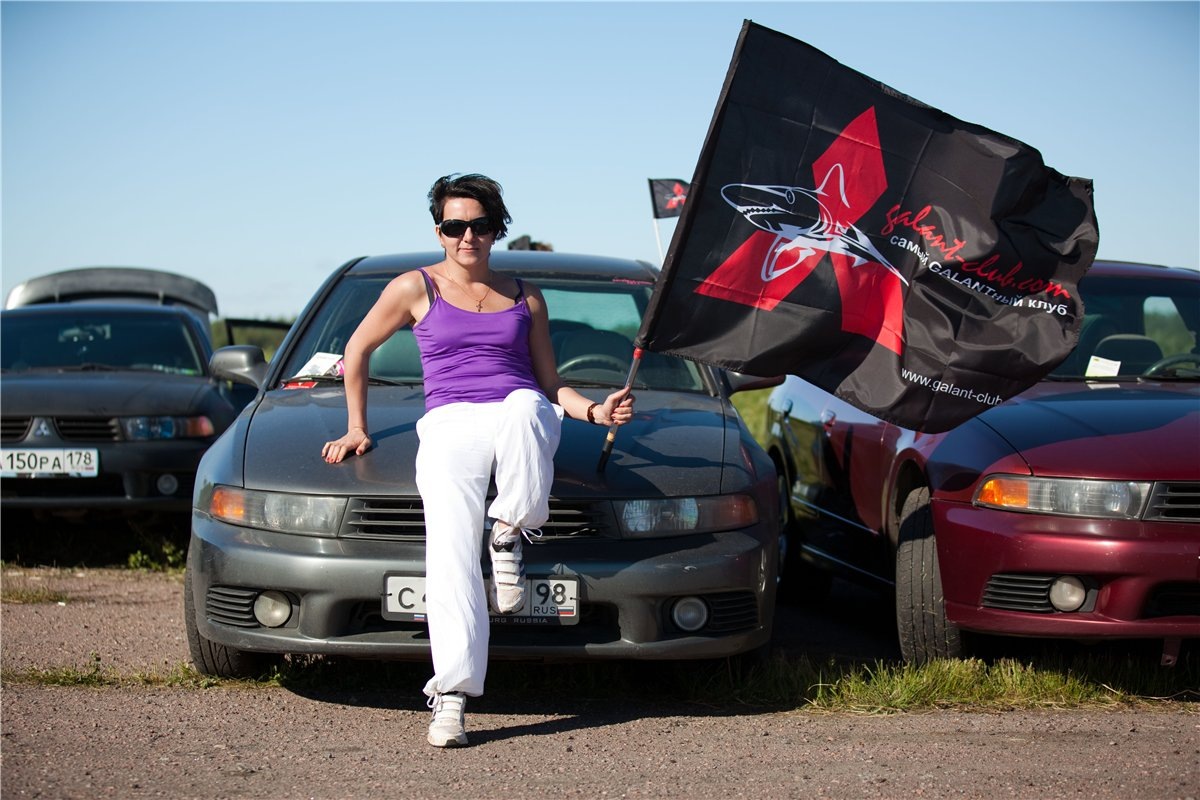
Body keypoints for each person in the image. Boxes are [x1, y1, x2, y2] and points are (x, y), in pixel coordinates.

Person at [320, 173, 635, 748]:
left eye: (480, 225)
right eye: (454, 226)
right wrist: (357, 426)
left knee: (526, 405)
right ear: (439, 231)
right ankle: (451, 696)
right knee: (450, 555)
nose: (467, 236)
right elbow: (356, 349)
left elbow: (550, 385)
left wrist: (595, 411)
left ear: (496, 230)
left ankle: (509, 530)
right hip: (450, 422)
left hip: (519, 417)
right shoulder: (415, 287)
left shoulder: (526, 295)